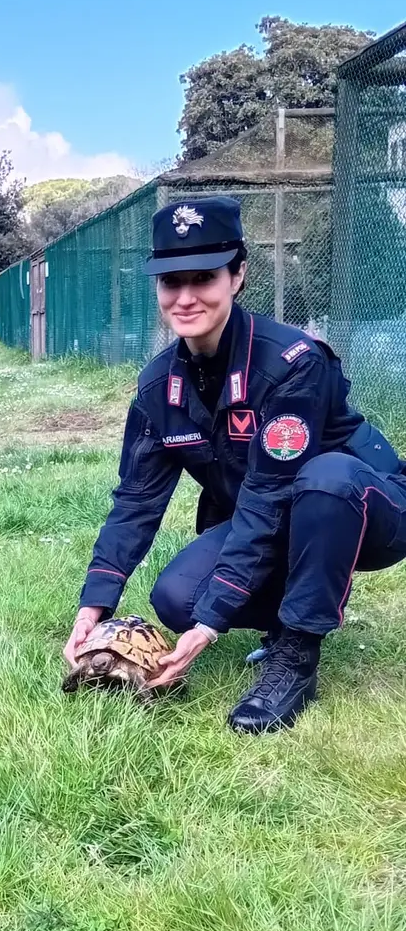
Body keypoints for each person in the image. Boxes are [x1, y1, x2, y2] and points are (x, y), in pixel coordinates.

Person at [63, 196, 406, 732]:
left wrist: (210, 625)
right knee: (178, 598)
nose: (185, 298)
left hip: (369, 509)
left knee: (326, 477)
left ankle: (294, 655)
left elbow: (270, 494)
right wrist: (95, 605)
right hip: (280, 515)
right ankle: (293, 606)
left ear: (238, 275)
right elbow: (136, 502)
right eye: (170, 282)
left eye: (204, 278)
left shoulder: (292, 363)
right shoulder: (158, 386)